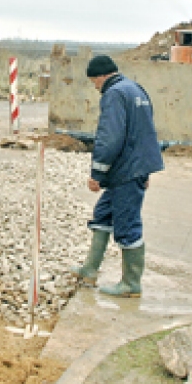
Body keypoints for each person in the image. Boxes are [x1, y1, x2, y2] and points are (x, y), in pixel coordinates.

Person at [71, 54, 164, 298]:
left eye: (94, 82)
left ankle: (131, 284)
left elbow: (109, 137)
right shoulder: (136, 89)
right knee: (103, 214)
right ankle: (89, 270)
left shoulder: (114, 94)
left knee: (127, 225)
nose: (95, 87)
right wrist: (144, 168)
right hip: (133, 168)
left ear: (102, 76)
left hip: (125, 171)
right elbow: (145, 130)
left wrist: (97, 174)